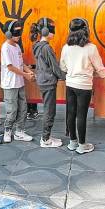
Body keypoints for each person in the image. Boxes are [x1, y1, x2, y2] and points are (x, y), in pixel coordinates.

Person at [60, 18, 105, 154]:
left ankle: (72, 142)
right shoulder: (91, 48)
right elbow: (99, 68)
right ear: (86, 30)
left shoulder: (66, 47)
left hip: (70, 84)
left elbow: (62, 66)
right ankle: (82, 145)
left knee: (71, 113)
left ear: (70, 31)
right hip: (84, 86)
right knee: (81, 115)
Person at [31, 17, 66, 148]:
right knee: (49, 111)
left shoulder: (38, 46)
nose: (54, 31)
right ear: (45, 30)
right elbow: (55, 67)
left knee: (48, 109)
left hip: (43, 81)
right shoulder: (46, 48)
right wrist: (66, 76)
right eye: (52, 29)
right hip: (48, 82)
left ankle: (47, 136)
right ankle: (45, 139)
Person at [1, 19, 35, 143]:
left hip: (20, 83)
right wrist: (25, 75)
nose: (19, 35)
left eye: (20, 32)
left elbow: (21, 63)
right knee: (12, 110)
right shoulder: (5, 48)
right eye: (16, 33)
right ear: (8, 33)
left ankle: (19, 132)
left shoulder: (17, 46)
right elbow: (10, 67)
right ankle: (7, 130)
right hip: (10, 84)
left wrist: (28, 71)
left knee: (23, 108)